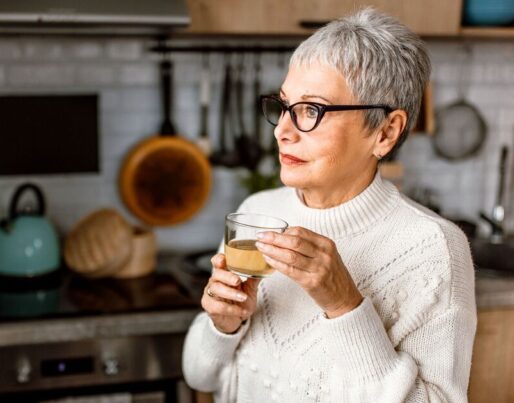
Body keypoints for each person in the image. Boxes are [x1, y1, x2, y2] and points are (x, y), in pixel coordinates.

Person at [182, 8, 476, 403]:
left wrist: (345, 305)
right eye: (284, 106)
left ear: (386, 132)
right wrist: (222, 326)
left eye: (312, 111)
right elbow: (199, 376)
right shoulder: (257, 213)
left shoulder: (433, 248)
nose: (283, 131)